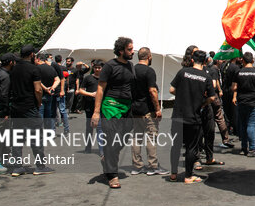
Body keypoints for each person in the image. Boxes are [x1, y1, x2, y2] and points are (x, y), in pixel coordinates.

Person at [91, 37, 135, 188]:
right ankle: (112, 175)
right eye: (130, 49)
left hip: (126, 108)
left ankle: (106, 159)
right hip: (110, 107)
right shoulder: (109, 66)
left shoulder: (130, 65)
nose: (133, 51)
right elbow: (100, 89)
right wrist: (96, 112)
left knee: (123, 138)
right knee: (111, 140)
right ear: (121, 51)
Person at [169, 50, 215, 183]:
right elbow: (212, 97)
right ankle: (188, 176)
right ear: (205, 61)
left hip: (178, 115)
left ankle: (173, 173)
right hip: (193, 116)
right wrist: (203, 103)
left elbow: (171, 89)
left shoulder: (183, 72)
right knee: (191, 146)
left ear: (193, 60)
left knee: (176, 145)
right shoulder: (206, 77)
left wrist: (182, 94)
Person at [9, 45, 55, 176]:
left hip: (16, 107)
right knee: (36, 138)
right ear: (31, 55)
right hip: (30, 107)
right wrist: (39, 102)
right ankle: (40, 166)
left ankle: (17, 167)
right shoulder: (33, 69)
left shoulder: (14, 69)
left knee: (17, 138)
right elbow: (38, 89)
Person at [130, 47, 168, 176]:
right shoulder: (149, 71)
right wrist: (157, 109)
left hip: (135, 108)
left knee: (136, 137)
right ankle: (153, 166)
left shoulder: (132, 70)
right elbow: (153, 91)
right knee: (151, 137)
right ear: (149, 56)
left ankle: (137, 166)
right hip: (147, 110)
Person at [232, 52, 255, 157]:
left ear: (243, 61)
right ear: (252, 60)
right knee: (251, 125)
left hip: (242, 101)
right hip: (253, 102)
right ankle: (252, 149)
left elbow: (234, 87)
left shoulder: (239, 72)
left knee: (243, 125)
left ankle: (243, 148)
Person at [77, 60, 104, 155]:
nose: (97, 69)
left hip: (101, 106)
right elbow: (81, 90)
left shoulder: (104, 79)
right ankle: (88, 147)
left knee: (100, 128)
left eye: (99, 68)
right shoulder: (88, 78)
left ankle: (102, 150)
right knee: (89, 127)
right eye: (96, 67)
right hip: (89, 106)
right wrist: (91, 94)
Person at [35, 53, 60, 131]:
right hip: (49, 94)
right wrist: (52, 88)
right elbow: (57, 79)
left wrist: (45, 89)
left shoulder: (36, 69)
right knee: (48, 114)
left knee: (40, 115)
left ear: (38, 59)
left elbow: (37, 81)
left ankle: (41, 133)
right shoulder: (51, 68)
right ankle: (49, 132)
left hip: (40, 95)